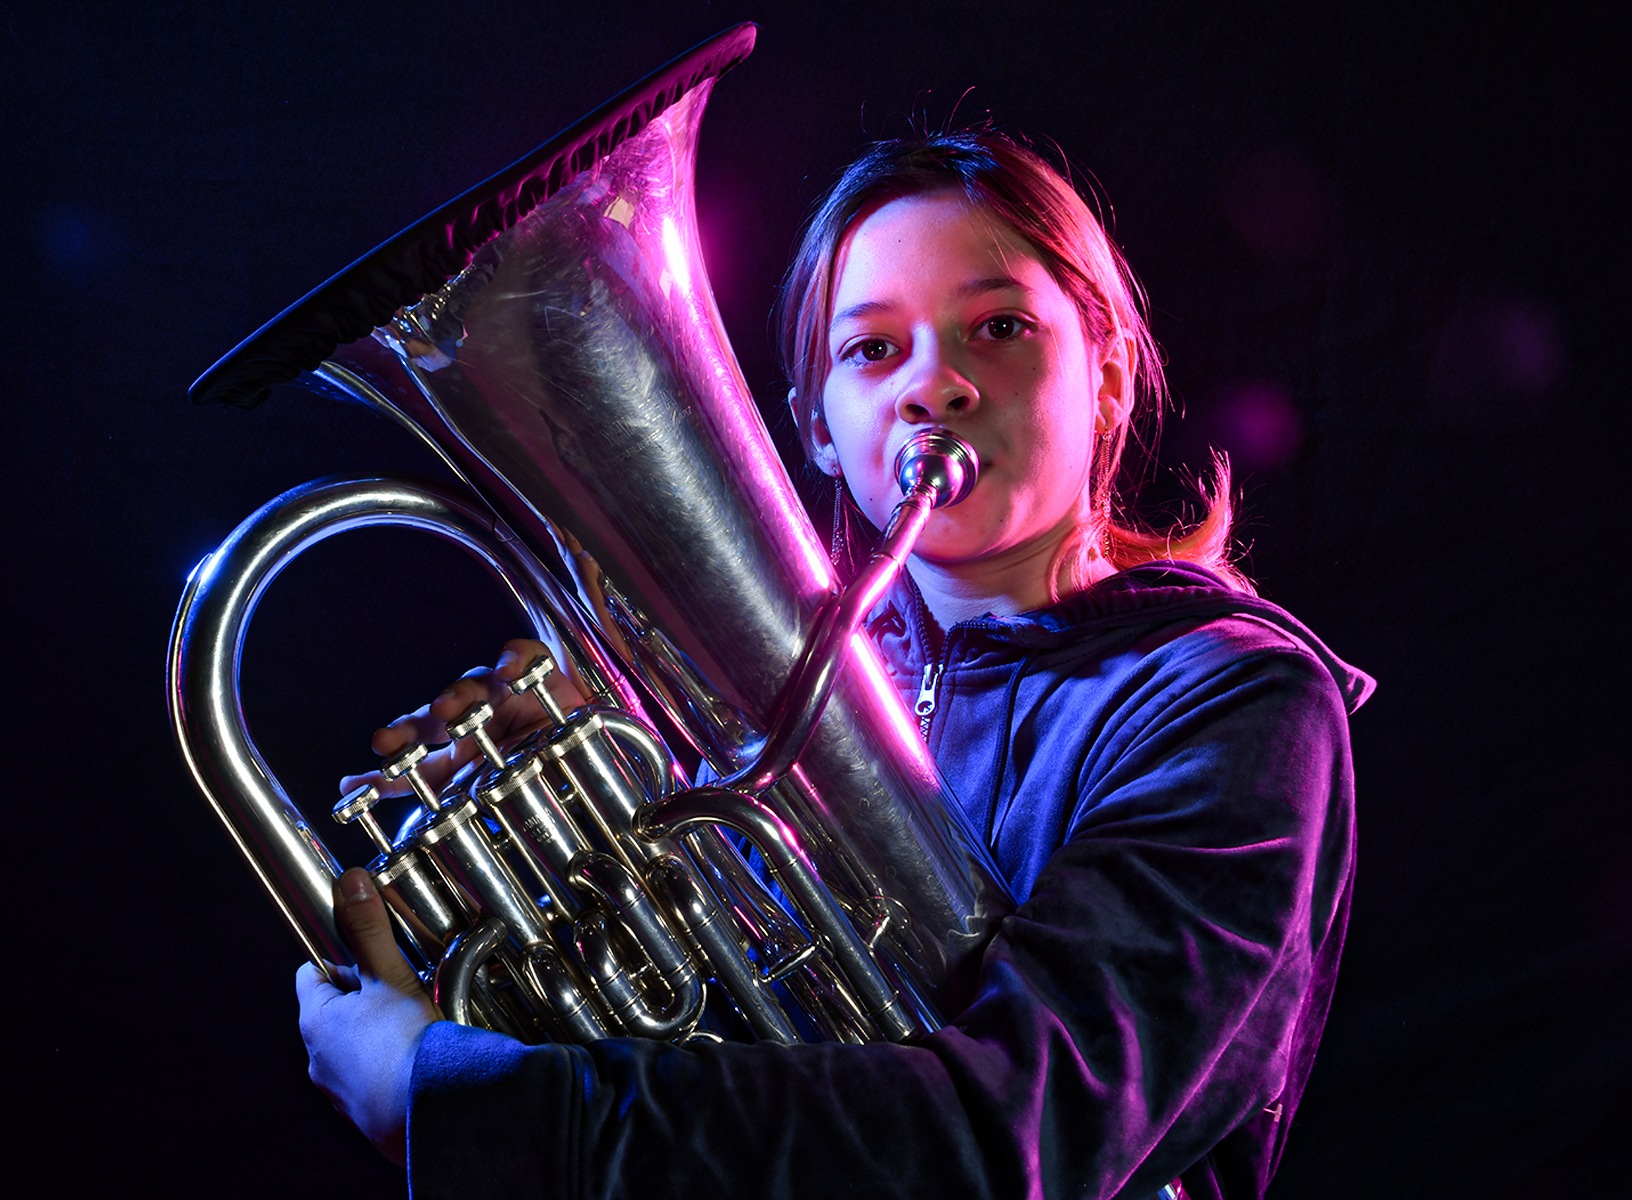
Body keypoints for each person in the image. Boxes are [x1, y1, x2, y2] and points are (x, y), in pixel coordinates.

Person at [295, 129, 1372, 1199]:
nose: (935, 385)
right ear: (814, 423)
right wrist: (556, 860)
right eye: (871, 350)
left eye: (998, 327)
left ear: (1110, 380)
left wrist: (470, 1103)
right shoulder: (750, 720)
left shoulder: (1230, 702)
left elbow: (1013, 1138)